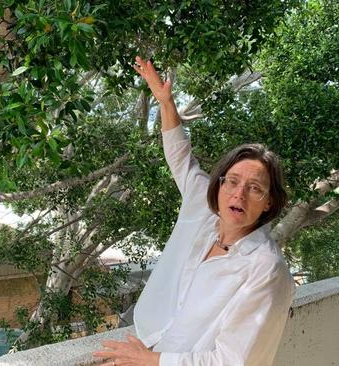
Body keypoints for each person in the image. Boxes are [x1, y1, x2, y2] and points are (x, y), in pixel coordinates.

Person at [93, 57, 295, 366]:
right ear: (220, 183)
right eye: (233, 181)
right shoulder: (204, 206)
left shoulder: (265, 269)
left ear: (269, 202)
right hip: (148, 343)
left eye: (255, 188)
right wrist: (165, 102)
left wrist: (154, 361)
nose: (239, 193)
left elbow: (233, 361)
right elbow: (180, 156)